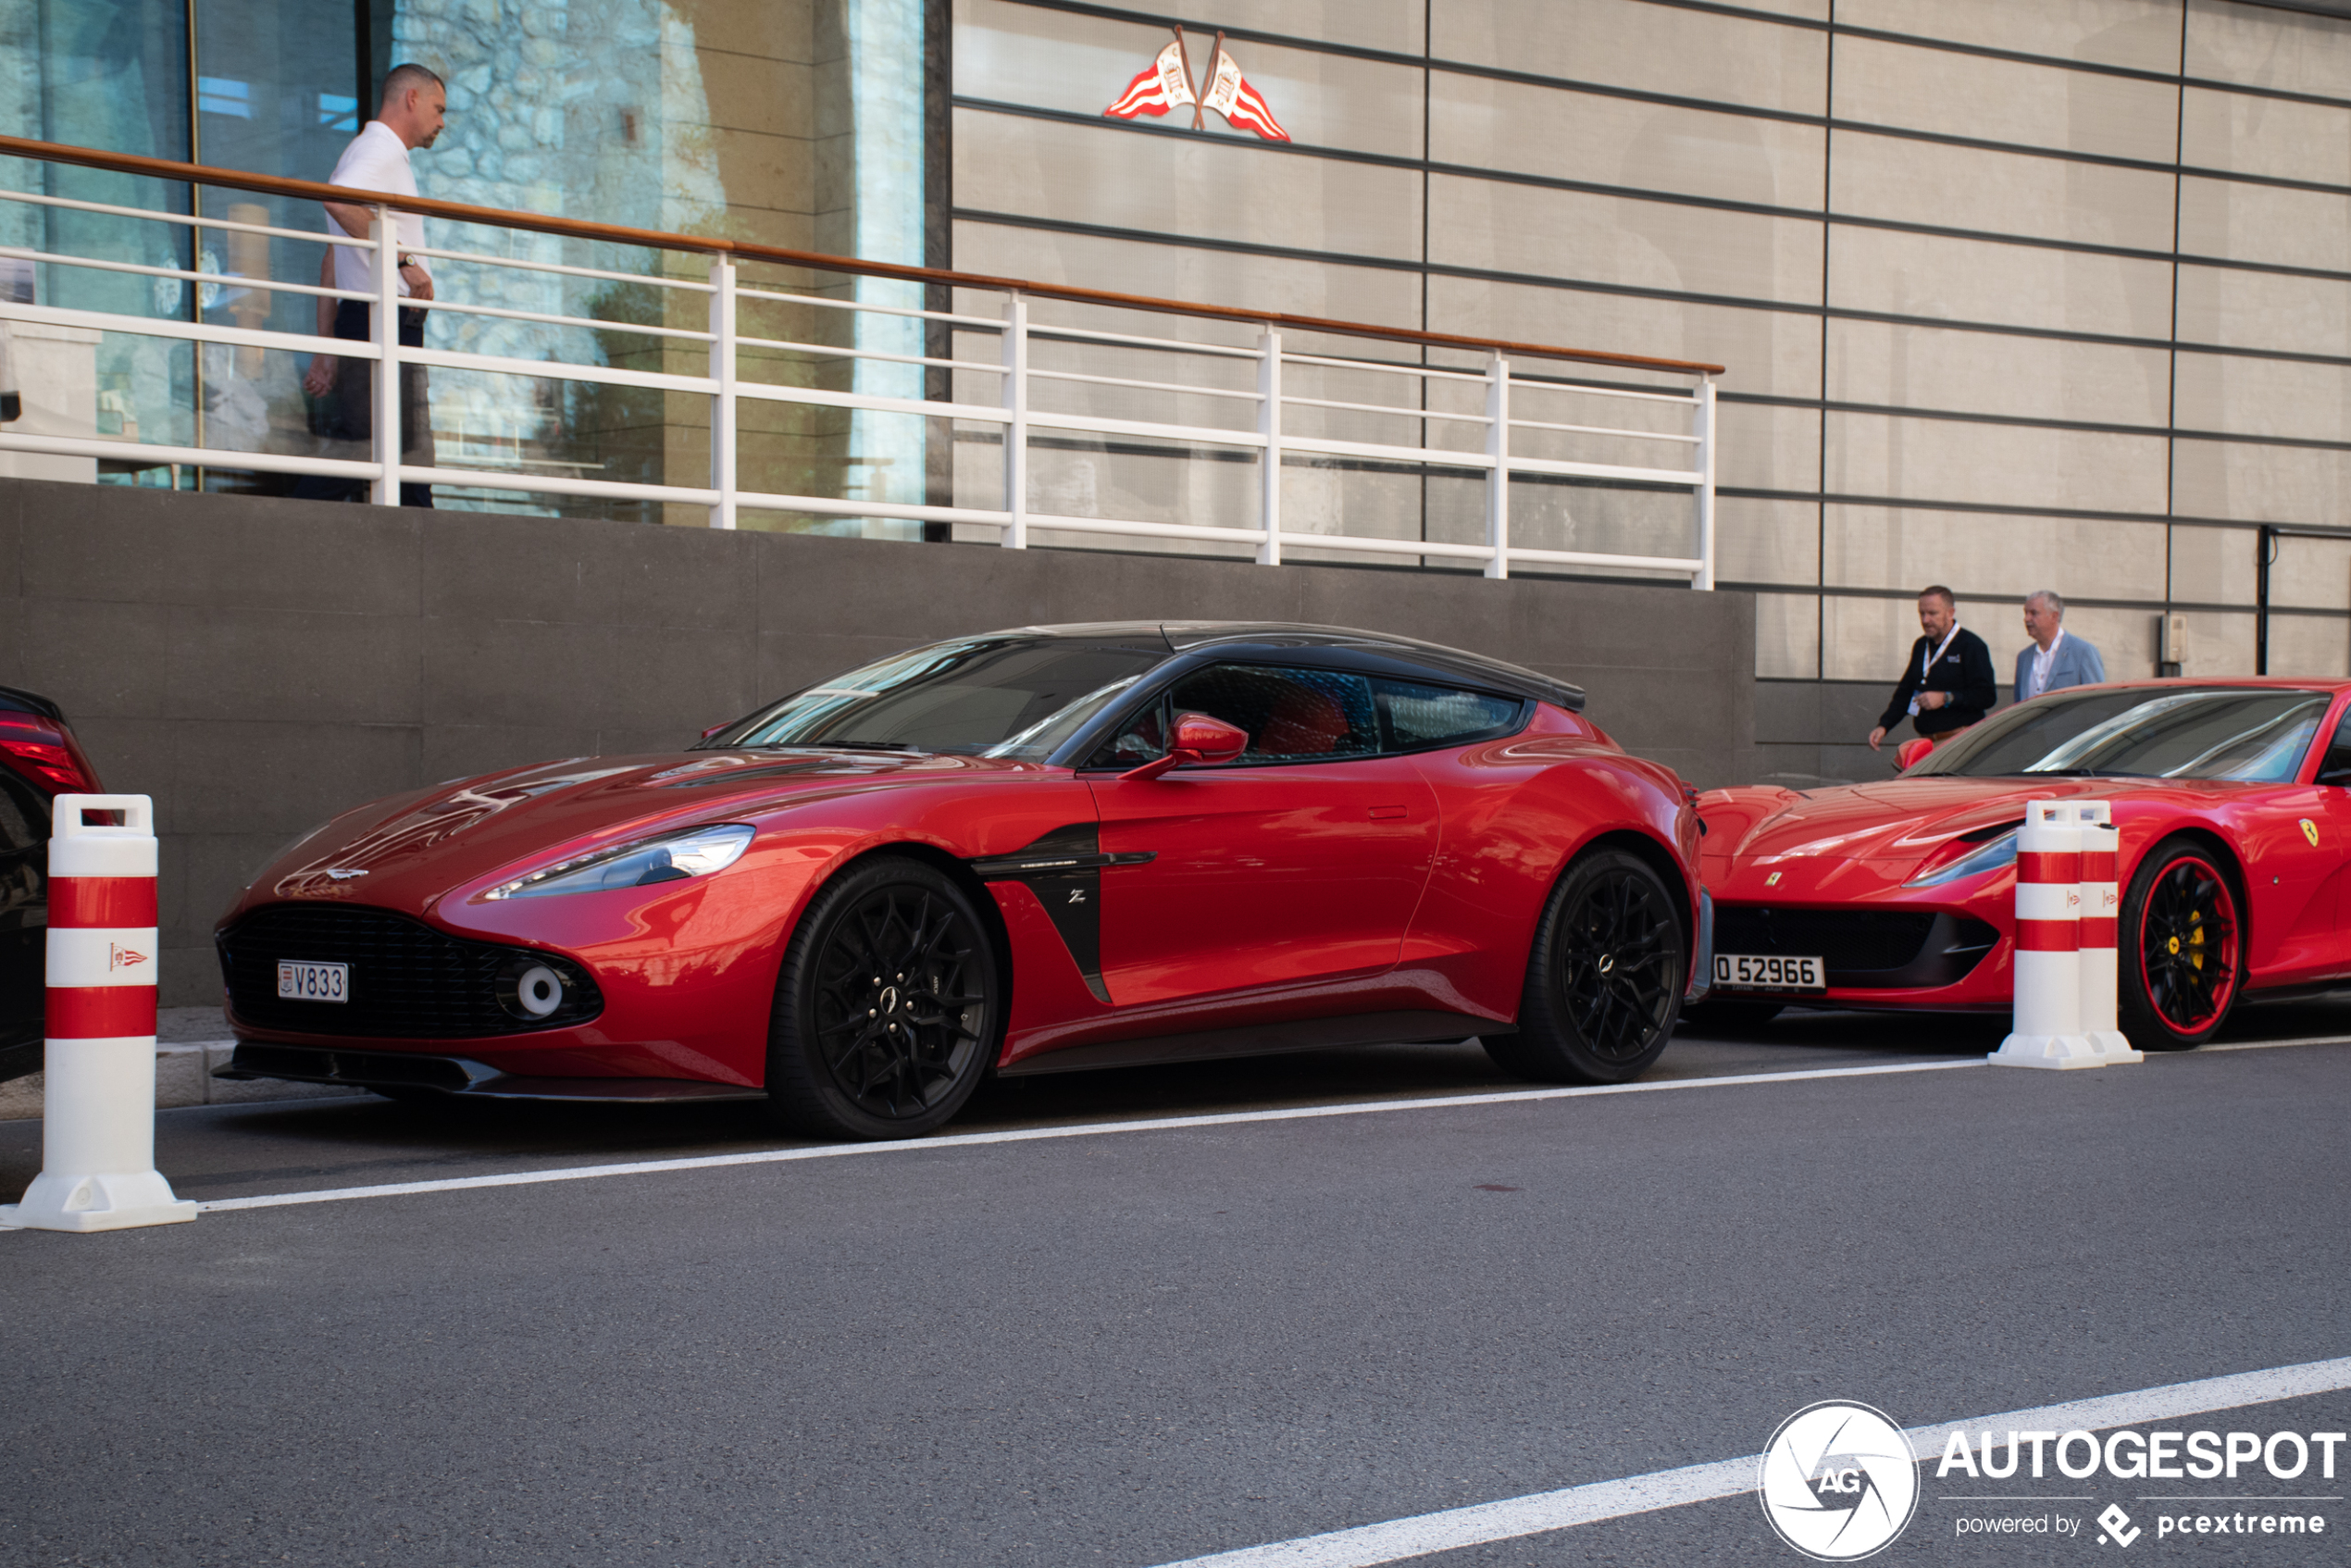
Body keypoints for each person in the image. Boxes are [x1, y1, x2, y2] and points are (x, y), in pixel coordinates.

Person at [295, 63, 445, 507]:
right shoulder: (380, 149)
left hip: (374, 319)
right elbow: (338, 198)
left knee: (394, 447)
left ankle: (423, 549)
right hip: (384, 318)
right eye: (438, 109)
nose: (442, 122)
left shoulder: (369, 152)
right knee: (383, 447)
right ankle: (279, 526)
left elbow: (331, 260)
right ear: (411, 99)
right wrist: (407, 262)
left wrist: (328, 349)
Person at [1868, 585, 1996, 752]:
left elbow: (1987, 696)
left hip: (1959, 741)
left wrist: (1946, 698)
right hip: (1927, 743)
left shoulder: (1971, 646)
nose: (1925, 620)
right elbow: (1906, 691)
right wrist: (1884, 726)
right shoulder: (1921, 645)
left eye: (1932, 613)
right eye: (1921, 613)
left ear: (1950, 613)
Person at [2013, 590, 2106, 703]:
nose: (2026, 619)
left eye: (2034, 613)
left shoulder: (2083, 652)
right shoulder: (2024, 658)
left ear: (2054, 616)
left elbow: (2097, 701)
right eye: (2026, 613)